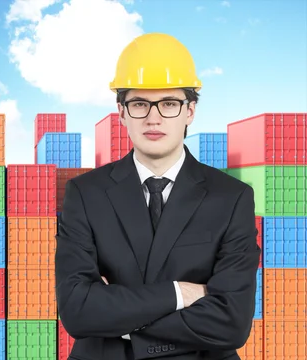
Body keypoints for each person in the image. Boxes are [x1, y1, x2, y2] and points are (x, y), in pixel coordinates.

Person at [54, 32, 261, 360]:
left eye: (169, 103)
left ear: (190, 111)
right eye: (139, 104)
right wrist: (180, 293)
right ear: (121, 112)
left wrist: (119, 320)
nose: (154, 117)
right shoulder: (85, 194)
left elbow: (232, 322)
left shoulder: (232, 198)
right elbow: (77, 312)